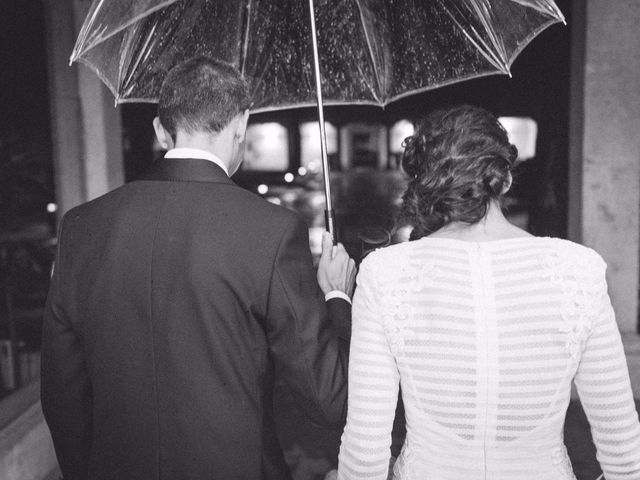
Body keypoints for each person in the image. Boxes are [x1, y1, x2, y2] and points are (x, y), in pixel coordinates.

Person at [41, 56, 356, 480]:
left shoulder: (81, 226)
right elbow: (326, 399)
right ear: (241, 124)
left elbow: (62, 393)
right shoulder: (272, 230)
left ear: (159, 130)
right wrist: (336, 298)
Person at [337, 105, 640, 479]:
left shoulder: (384, 273)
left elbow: (365, 453)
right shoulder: (579, 269)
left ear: (424, 183)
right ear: (505, 179)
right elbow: (623, 450)